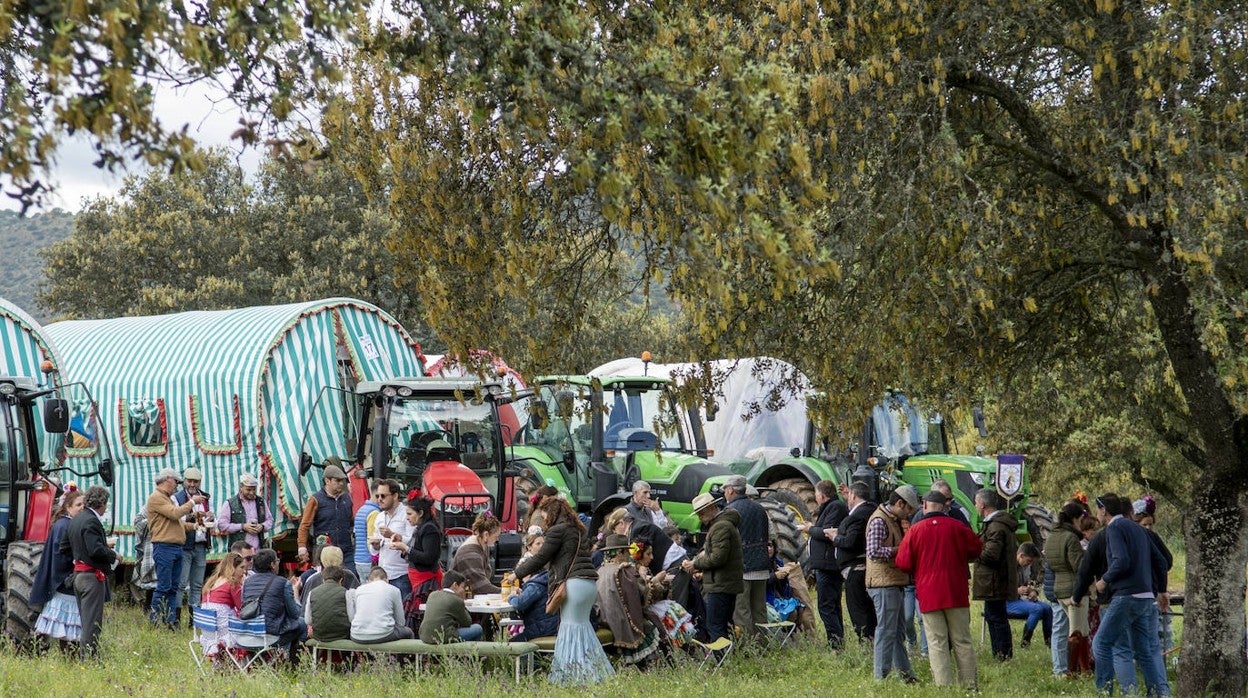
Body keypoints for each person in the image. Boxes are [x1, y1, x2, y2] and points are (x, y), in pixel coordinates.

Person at [512, 496, 613, 684]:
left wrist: (515, 574)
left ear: (552, 513)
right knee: (583, 628)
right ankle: (597, 672)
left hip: (572, 584)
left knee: (569, 628)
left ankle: (568, 676)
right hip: (588, 584)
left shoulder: (558, 530)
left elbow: (540, 558)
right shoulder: (576, 529)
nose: (544, 521)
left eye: (544, 516)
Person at [1082, 493, 1171, 696]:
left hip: (1126, 595)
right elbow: (1162, 562)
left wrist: (1104, 580)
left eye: (1098, 510)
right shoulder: (1139, 529)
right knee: (1144, 650)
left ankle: (1104, 692)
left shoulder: (1113, 528)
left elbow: (1121, 560)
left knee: (1101, 643)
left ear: (1104, 510)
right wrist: (1161, 589)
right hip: (1146, 597)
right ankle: (1157, 693)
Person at [895, 489, 983, 689]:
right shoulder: (958, 527)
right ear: (945, 506)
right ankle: (970, 685)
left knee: (937, 642)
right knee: (962, 640)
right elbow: (977, 548)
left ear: (924, 505)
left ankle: (944, 687)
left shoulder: (916, 530)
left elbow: (903, 562)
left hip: (929, 594)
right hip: (956, 591)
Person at [866, 485, 919, 682]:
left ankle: (907, 676)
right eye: (908, 509)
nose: (909, 514)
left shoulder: (892, 519)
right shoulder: (880, 520)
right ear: (899, 503)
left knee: (897, 633)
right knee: (886, 631)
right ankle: (881, 677)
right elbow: (874, 552)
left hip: (892, 581)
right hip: (883, 583)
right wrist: (901, 550)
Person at [62, 485, 118, 659]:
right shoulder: (91, 521)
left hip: (79, 575)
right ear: (101, 503)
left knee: (86, 621)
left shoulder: (76, 519)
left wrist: (79, 556)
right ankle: (90, 659)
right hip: (91, 577)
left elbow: (64, 547)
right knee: (92, 623)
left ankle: (86, 656)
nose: (106, 507)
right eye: (106, 503)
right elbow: (95, 550)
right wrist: (113, 554)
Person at [681, 492, 743, 643]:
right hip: (726, 583)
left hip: (720, 584)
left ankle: (723, 661)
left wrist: (695, 564)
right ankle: (733, 657)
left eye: (701, 512)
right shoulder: (722, 524)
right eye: (698, 513)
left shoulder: (720, 526)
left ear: (711, 508)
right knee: (725, 623)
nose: (700, 516)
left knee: (714, 625)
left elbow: (717, 558)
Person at [595, 533, 664, 667]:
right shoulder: (625, 570)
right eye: (626, 552)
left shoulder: (601, 570)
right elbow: (640, 595)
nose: (628, 555)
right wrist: (655, 581)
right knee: (652, 626)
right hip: (621, 622)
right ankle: (651, 665)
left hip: (603, 620)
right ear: (620, 552)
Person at [146, 468, 201, 629]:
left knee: (173, 587)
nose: (177, 485)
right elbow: (175, 514)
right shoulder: (156, 498)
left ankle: (170, 621)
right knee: (164, 586)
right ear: (167, 480)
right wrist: (192, 502)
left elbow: (178, 523)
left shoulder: (167, 499)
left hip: (175, 547)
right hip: (164, 547)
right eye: (175, 482)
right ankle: (154, 620)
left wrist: (197, 526)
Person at [33, 488, 85, 647]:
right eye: (78, 504)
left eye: (84, 504)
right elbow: (62, 555)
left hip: (63, 582)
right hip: (64, 583)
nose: (82, 507)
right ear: (68, 507)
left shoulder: (67, 523)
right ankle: (67, 658)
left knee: (62, 625)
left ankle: (62, 657)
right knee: (65, 626)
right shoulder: (64, 526)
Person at [799, 479, 847, 648]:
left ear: (822, 495)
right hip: (825, 564)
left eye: (816, 493)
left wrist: (809, 529)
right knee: (831, 605)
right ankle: (837, 642)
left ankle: (835, 644)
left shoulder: (835, 507)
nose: (815, 497)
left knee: (827, 606)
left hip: (828, 566)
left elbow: (827, 532)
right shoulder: (831, 507)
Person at [1045, 500, 1091, 676]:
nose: (1081, 524)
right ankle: (1073, 671)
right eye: (1080, 520)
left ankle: (1083, 669)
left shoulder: (1051, 537)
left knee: (1079, 629)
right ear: (1073, 519)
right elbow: (1079, 566)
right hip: (1074, 589)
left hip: (1059, 588)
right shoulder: (1070, 538)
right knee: (1077, 632)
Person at [973, 488, 1018, 661]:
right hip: (993, 580)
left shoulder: (996, 526)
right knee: (993, 617)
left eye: (976, 502)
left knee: (997, 618)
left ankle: (1003, 655)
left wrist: (973, 548)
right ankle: (998, 653)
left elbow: (991, 555)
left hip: (994, 580)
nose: (976, 505)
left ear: (983, 504)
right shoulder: (995, 524)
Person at [722, 475, 769, 641]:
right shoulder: (760, 508)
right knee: (760, 609)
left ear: (730, 490)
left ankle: (747, 647)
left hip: (743, 567)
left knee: (742, 610)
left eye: (724, 491)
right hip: (762, 566)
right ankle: (763, 644)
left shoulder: (730, 511)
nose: (724, 494)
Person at [242, 549, 307, 662]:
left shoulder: (247, 582)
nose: (278, 563)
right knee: (302, 623)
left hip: (249, 633)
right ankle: (290, 662)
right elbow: (295, 613)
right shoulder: (283, 582)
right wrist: (295, 592)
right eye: (277, 560)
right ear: (272, 565)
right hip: (271, 634)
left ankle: (263, 660)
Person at [832, 481, 877, 642]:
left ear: (853, 495)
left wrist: (835, 537)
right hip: (863, 569)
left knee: (859, 611)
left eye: (849, 496)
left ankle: (866, 643)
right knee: (867, 609)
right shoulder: (870, 510)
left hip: (856, 570)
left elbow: (851, 542)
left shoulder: (858, 516)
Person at [173, 466, 215, 617]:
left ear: (200, 482)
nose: (192, 484)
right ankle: (176, 617)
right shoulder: (177, 498)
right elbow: (178, 520)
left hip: (201, 544)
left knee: (197, 584)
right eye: (189, 481)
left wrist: (209, 517)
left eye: (195, 482)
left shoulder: (205, 497)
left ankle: (194, 618)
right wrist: (193, 515)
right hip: (185, 544)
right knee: (181, 583)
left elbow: (207, 519)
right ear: (184, 481)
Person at [297, 459, 354, 565]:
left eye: (342, 480)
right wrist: (302, 547)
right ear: (327, 481)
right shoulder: (315, 499)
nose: (341, 483)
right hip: (323, 552)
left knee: (350, 577)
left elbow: (351, 521)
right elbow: (304, 525)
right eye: (337, 480)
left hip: (345, 551)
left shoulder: (346, 498)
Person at [392, 495, 443, 610]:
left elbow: (428, 557)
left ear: (420, 513)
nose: (407, 517)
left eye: (410, 514)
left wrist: (405, 548)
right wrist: (402, 545)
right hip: (419, 582)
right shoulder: (421, 527)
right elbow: (415, 551)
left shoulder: (429, 529)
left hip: (427, 583)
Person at [369, 478, 415, 599]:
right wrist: (375, 545)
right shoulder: (379, 517)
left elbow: (412, 541)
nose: (379, 499)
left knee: (403, 613)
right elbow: (375, 551)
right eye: (377, 496)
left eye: (383, 496)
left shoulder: (407, 514)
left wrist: (391, 535)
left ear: (395, 496)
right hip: (383, 575)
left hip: (401, 574)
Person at [348, 566, 415, 643]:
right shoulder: (394, 590)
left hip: (356, 634)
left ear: (368, 581)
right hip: (383, 634)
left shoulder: (359, 590)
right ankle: (405, 655)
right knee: (409, 632)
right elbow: (400, 622)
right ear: (387, 580)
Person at [1006, 542, 1053, 648]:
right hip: (1006, 601)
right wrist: (1016, 590)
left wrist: (1031, 592)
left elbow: (1025, 585)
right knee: (1036, 609)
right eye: (1028, 561)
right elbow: (998, 587)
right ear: (1021, 555)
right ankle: (1025, 642)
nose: (1029, 564)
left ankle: (1049, 641)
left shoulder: (1023, 567)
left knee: (1047, 608)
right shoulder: (1007, 566)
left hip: (1018, 599)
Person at [199, 551, 246, 656]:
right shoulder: (232, 583)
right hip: (223, 632)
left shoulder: (210, 582)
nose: (244, 572)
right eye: (242, 568)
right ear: (233, 568)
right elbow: (242, 608)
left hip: (208, 632)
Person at [419, 571, 484, 643]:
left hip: (425, 636)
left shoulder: (432, 595)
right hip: (444, 637)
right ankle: (471, 652)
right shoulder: (456, 600)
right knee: (478, 628)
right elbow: (467, 622)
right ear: (455, 585)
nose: (463, 591)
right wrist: (461, 600)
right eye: (462, 587)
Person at [215, 472, 273, 553]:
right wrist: (242, 527)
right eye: (248, 489)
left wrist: (262, 526)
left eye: (254, 489)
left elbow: (270, 520)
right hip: (239, 552)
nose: (252, 492)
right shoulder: (230, 503)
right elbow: (221, 525)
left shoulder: (261, 502)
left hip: (258, 550)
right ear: (241, 487)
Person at [624, 480, 673, 575]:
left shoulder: (649, 511)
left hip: (651, 556)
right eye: (645, 492)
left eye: (649, 493)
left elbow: (663, 529)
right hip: (635, 557)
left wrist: (658, 510)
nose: (648, 496)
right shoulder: (626, 511)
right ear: (635, 493)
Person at [451, 511, 502, 595]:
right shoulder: (470, 554)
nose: (497, 539)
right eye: (496, 536)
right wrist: (505, 592)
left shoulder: (482, 545)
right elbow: (481, 586)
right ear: (486, 535)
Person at [511, 564, 560, 641]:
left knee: (512, 644)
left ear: (527, 573)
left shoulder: (535, 585)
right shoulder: (545, 581)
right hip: (553, 627)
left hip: (541, 630)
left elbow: (519, 603)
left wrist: (512, 596)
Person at [305, 565, 351, 642]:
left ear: (323, 579)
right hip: (342, 635)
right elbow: (351, 618)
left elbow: (308, 620)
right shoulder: (346, 592)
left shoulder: (312, 593)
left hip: (319, 635)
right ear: (341, 580)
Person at [351, 482, 382, 581]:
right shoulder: (374, 513)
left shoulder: (362, 509)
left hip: (359, 558)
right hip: (368, 560)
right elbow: (372, 539)